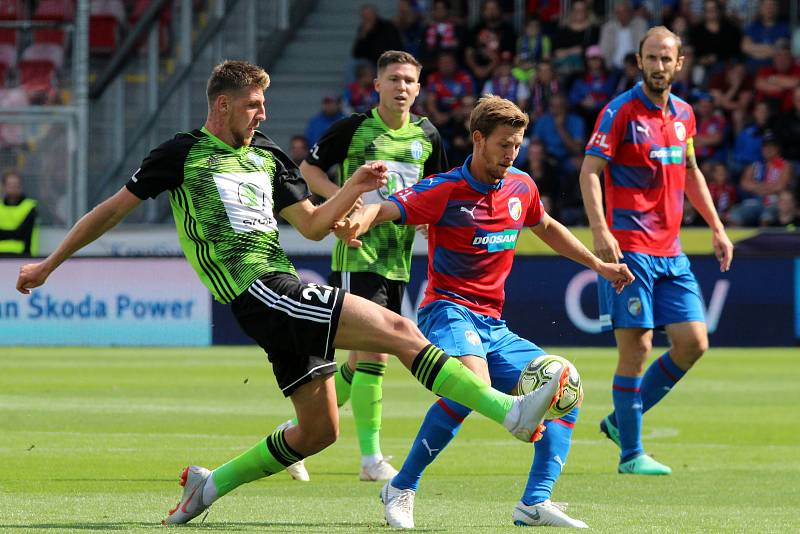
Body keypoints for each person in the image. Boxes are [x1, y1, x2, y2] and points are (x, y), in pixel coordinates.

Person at [15, 61, 571, 525]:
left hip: (279, 288)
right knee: (399, 330)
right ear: (223, 104)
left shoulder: (269, 157)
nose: (263, 114)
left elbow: (309, 225)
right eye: (254, 104)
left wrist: (353, 188)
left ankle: (208, 487)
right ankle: (510, 412)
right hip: (256, 287)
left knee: (320, 431)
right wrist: (50, 264)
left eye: (263, 105)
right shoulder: (181, 154)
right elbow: (111, 211)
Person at [336, 95, 634, 528]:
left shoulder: (521, 186)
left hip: (494, 324)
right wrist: (355, 223)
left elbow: (547, 227)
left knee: (566, 392)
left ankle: (534, 502)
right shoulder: (445, 189)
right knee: (471, 385)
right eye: (503, 146)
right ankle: (400, 487)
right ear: (478, 139)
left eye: (516, 146)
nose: (511, 155)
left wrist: (599, 265)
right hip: (447, 311)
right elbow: (385, 208)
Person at [579, 27, 734, 476]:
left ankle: (619, 422)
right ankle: (631, 455)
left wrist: (718, 228)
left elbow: (690, 172)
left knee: (693, 343)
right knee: (638, 347)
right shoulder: (619, 111)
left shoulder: (684, 114)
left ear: (679, 63)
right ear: (640, 61)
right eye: (651, 57)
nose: (659, 66)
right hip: (629, 249)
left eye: (667, 59)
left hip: (671, 251)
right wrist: (600, 231)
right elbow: (590, 172)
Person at [296, 50, 449, 482]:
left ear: (419, 89)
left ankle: (295, 437)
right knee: (376, 353)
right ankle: (370, 460)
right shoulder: (354, 128)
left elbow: (438, 188)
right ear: (377, 85)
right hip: (356, 253)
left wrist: (426, 220)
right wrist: (344, 198)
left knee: (360, 360)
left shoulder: (427, 136)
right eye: (394, 79)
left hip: (398, 259)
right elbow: (309, 169)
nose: (402, 87)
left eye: (409, 81)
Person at [0, 171, 38, 257]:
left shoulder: (30, 206)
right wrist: (14, 233)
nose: (13, 187)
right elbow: (18, 234)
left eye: (16, 184)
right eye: (9, 184)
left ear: (21, 186)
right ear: (3, 187)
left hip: (22, 254)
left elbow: (23, 233)